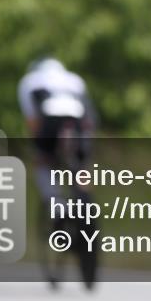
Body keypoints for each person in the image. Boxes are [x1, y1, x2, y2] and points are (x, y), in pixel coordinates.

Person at [18, 57, 97, 202]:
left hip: (50, 122)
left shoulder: (29, 81)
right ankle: (85, 198)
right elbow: (89, 119)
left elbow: (32, 121)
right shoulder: (75, 80)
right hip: (76, 122)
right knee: (81, 168)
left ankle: (56, 204)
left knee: (43, 161)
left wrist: (39, 146)